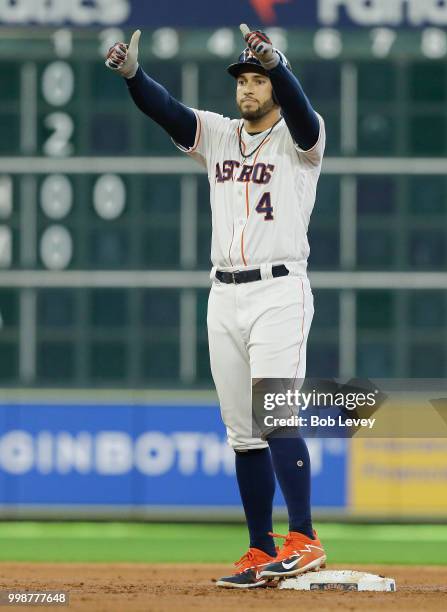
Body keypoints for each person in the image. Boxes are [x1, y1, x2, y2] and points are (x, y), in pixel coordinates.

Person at [106, 24, 327, 588]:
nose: (248, 89)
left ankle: (303, 538)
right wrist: (134, 76)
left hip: (279, 289)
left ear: (275, 85)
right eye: (243, 81)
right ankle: (260, 548)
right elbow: (171, 113)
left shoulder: (303, 139)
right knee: (243, 431)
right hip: (224, 293)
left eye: (257, 80)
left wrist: (277, 63)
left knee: (275, 414)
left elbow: (300, 110)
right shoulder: (222, 135)